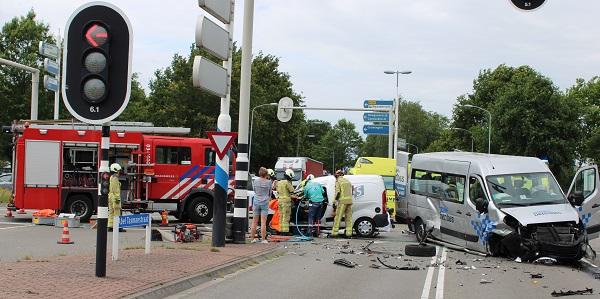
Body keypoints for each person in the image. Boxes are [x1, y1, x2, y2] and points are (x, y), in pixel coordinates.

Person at [250, 167, 272, 244]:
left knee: (254, 222)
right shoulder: (269, 182)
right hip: (265, 202)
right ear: (266, 174)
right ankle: (263, 239)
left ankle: (252, 238)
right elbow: (270, 193)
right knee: (263, 222)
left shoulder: (255, 181)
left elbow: (255, 190)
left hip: (256, 202)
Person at [276, 169, 298, 235]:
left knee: (281, 216)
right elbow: (292, 192)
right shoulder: (287, 183)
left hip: (279, 201)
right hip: (286, 202)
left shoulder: (279, 182)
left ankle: (280, 231)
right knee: (286, 217)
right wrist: (297, 197)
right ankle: (285, 232)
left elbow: (278, 191)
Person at [332, 170, 353, 238]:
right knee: (348, 218)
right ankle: (349, 233)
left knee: (338, 217)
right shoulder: (347, 181)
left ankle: (335, 233)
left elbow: (338, 192)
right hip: (349, 201)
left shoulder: (338, 181)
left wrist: (334, 201)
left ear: (337, 175)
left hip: (342, 201)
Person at [108, 163, 125, 232]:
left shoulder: (111, 177)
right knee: (117, 212)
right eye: (118, 171)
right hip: (115, 197)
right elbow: (115, 190)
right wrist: (118, 199)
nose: (119, 172)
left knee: (111, 212)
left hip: (111, 196)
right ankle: (118, 227)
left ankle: (110, 226)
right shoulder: (115, 178)